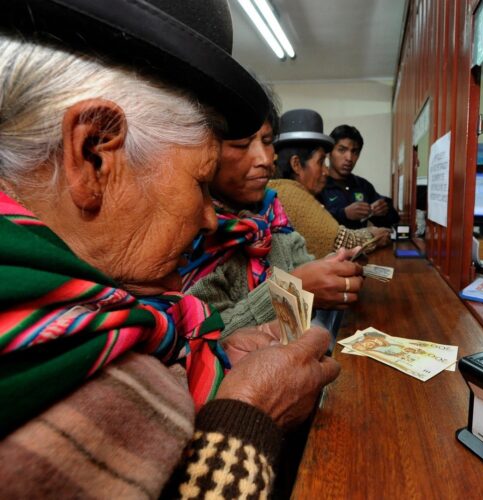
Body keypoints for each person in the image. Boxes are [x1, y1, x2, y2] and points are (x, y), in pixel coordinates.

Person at [0, 1, 339, 498]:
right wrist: (247, 416)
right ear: (95, 153)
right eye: (201, 182)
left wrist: (220, 352)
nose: (209, 216)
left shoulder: (105, 316)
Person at [184, 103, 365, 337]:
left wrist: (325, 271)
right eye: (242, 144)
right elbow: (203, 340)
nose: (264, 159)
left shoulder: (272, 210)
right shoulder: (192, 233)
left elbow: (301, 264)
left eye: (268, 141)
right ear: (207, 151)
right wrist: (292, 292)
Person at [269, 109, 391, 259]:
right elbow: (340, 241)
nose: (325, 172)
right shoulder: (291, 194)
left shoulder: (280, 189)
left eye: (355, 152)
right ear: (296, 164)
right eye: (320, 161)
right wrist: (374, 235)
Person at [319, 124, 399, 229]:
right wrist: (344, 214)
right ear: (329, 153)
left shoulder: (363, 185)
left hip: (362, 245)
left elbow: (393, 221)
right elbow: (311, 222)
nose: (349, 158)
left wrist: (384, 210)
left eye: (355, 152)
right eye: (342, 150)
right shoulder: (318, 184)